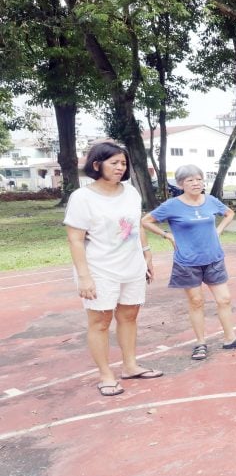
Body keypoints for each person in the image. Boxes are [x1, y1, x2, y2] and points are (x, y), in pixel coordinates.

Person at [64, 140, 163, 397]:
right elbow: (75, 239)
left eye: (123, 163)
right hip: (99, 268)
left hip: (131, 265)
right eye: (114, 163)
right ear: (97, 165)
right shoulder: (82, 197)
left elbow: (137, 225)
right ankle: (106, 375)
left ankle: (130, 366)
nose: (121, 167)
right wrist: (84, 277)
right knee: (100, 321)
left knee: (129, 316)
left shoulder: (131, 192)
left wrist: (147, 255)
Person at [141, 165, 236, 360]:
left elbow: (229, 213)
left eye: (199, 179)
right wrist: (167, 235)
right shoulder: (172, 205)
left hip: (213, 257)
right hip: (187, 260)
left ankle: (230, 338)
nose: (196, 183)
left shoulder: (210, 200)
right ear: (180, 184)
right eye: (190, 180)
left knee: (224, 299)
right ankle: (201, 343)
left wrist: (218, 231)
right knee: (196, 302)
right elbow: (146, 221)